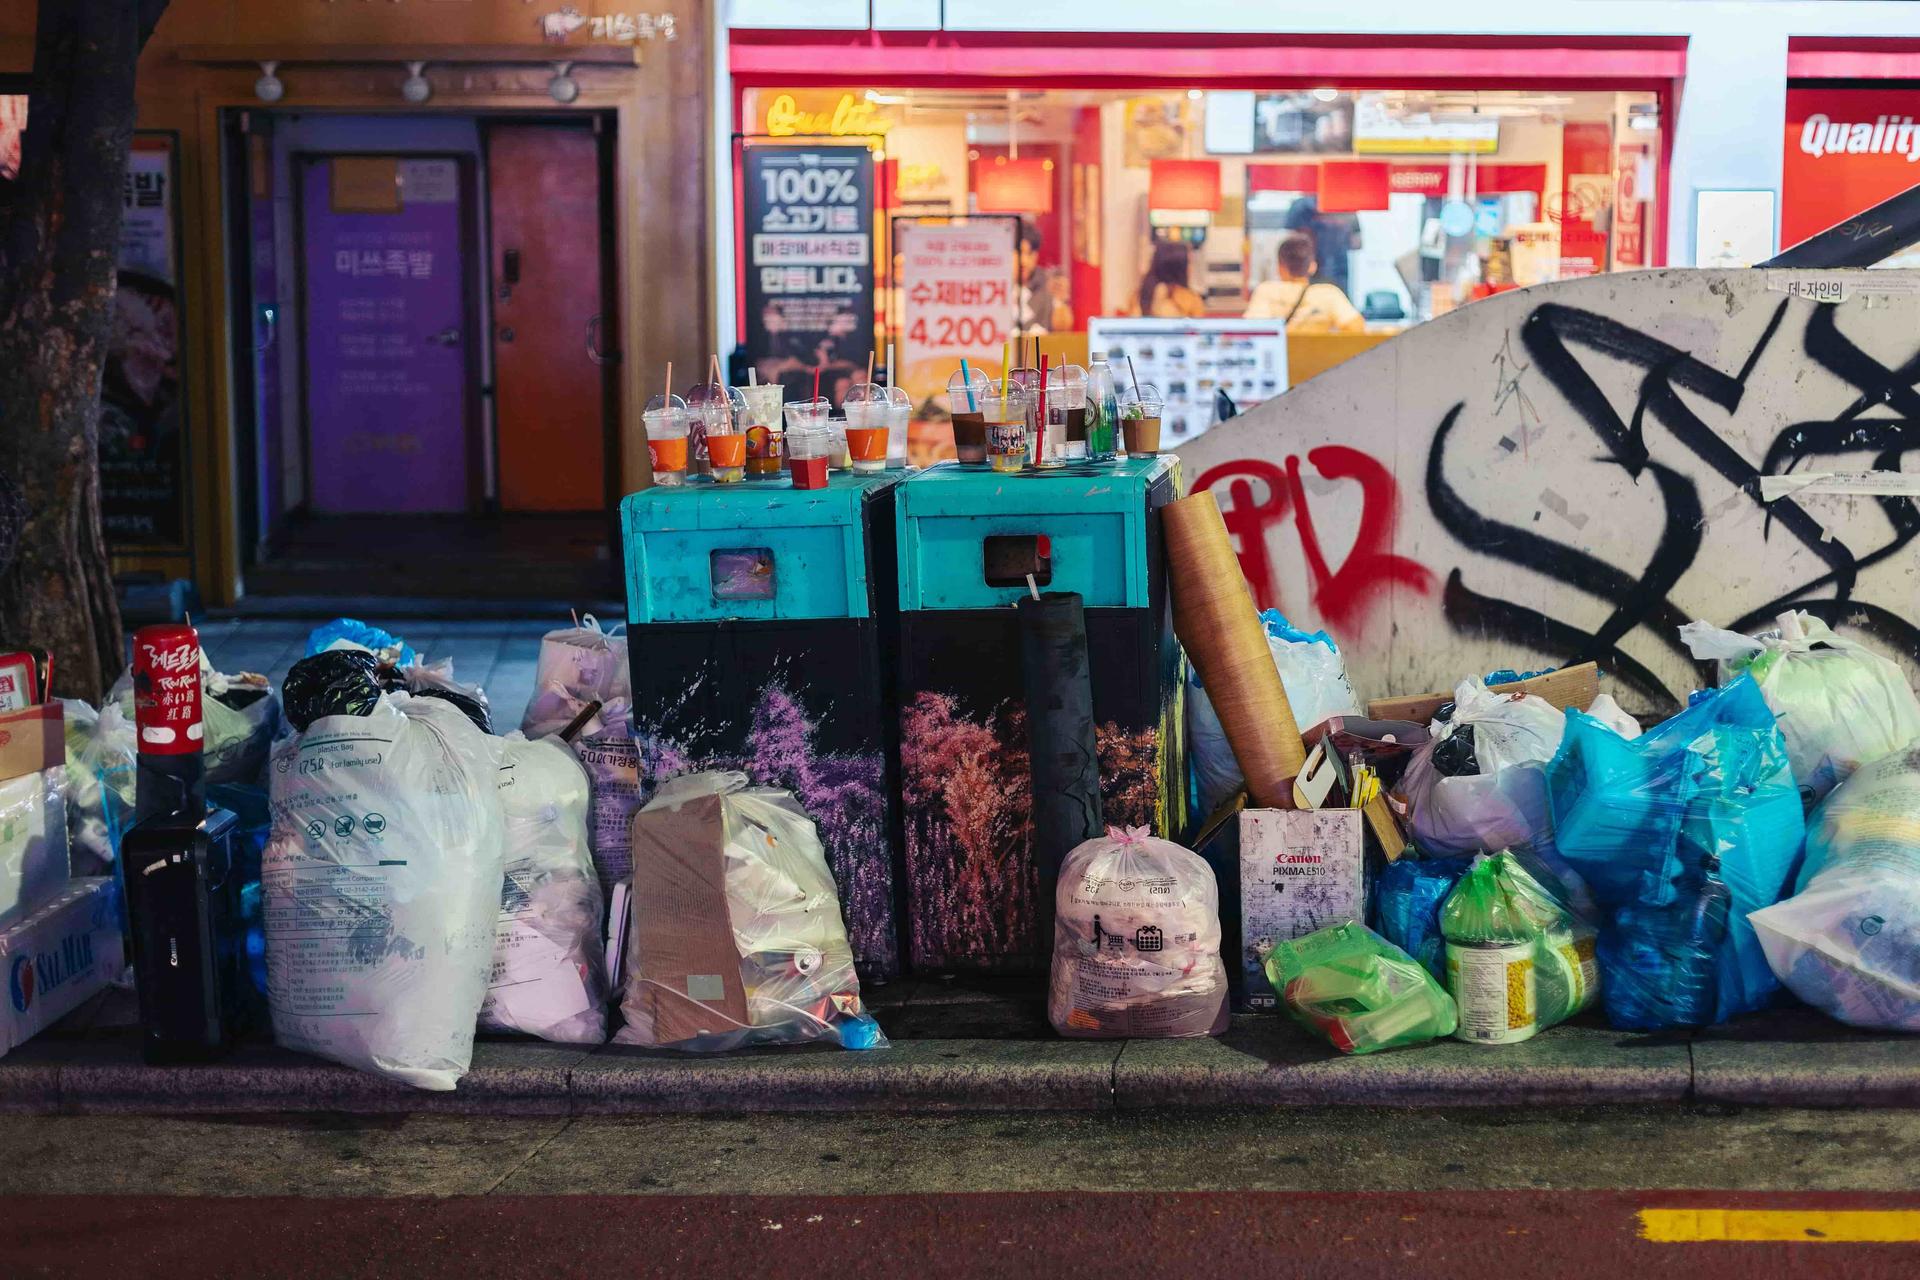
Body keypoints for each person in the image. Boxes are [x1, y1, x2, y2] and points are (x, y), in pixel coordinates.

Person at [1244, 233, 1366, 333]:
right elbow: (1356, 328)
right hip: (1319, 360)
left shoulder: (1266, 291)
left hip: (1278, 360)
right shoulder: (1328, 294)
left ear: (1280, 267)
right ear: (1312, 267)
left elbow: (1252, 330)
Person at [1127, 241, 1207, 318]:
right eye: (1189, 263)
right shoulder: (1191, 301)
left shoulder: (1137, 297)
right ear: (1180, 266)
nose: (1191, 268)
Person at [1017, 221, 1072, 334]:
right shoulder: (997, 286)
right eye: (1019, 253)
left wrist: (1060, 301)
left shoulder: (1047, 283)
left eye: (1030, 253)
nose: (1024, 261)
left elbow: (1063, 331)